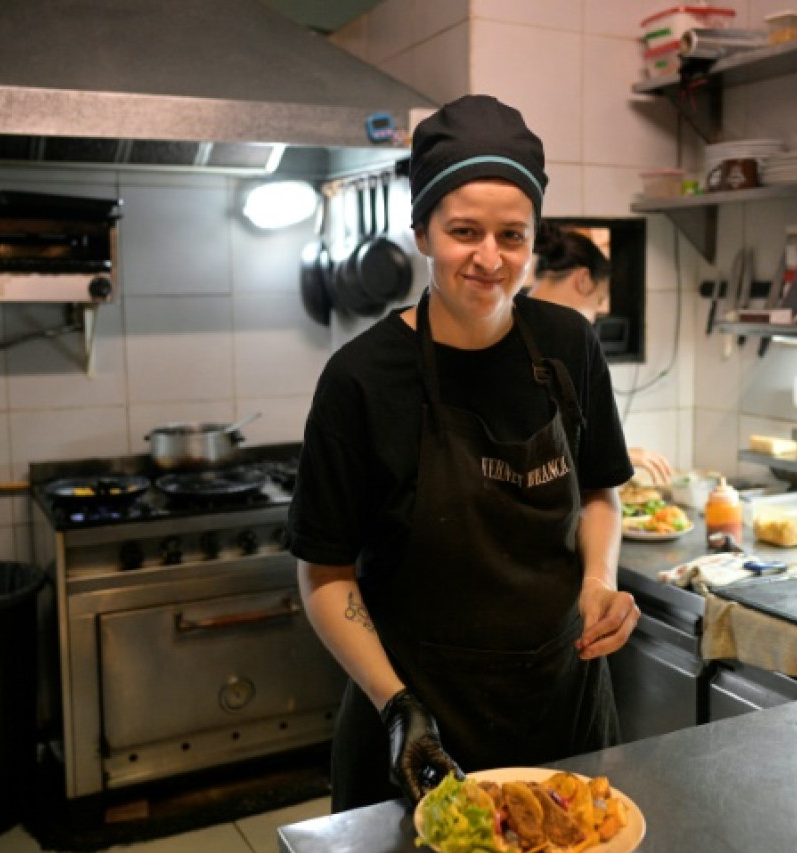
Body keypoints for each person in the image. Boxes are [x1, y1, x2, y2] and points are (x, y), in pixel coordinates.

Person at [286, 95, 641, 813]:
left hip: (560, 713)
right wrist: (396, 710)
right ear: (421, 232)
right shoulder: (362, 378)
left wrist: (598, 582)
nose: (489, 257)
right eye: (464, 232)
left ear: (536, 237)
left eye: (512, 235)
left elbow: (601, 491)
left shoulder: (570, 345)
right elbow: (323, 572)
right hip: (419, 726)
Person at [529, 222, 676, 487]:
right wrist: (619, 458)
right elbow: (542, 456)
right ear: (583, 279)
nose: (595, 318)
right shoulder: (568, 337)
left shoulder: (508, 319)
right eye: (598, 302)